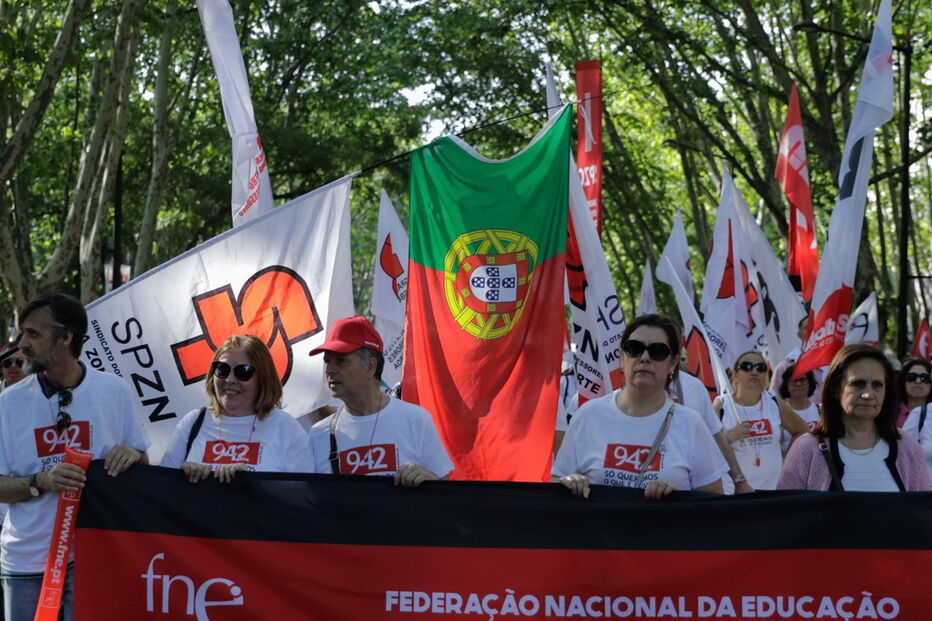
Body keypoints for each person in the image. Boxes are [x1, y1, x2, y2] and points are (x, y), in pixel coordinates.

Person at [0, 293, 150, 620]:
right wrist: (41, 481)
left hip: (95, 556)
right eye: (22, 332)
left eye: (34, 334)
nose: (22, 343)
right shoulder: (9, 403)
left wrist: (133, 456)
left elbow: (142, 464)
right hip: (28, 562)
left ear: (66, 336)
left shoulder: (114, 391)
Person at [553, 314, 727, 499]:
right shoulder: (588, 416)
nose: (644, 357)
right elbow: (557, 479)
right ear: (621, 357)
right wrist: (570, 482)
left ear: (673, 364)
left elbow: (713, 502)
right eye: (634, 348)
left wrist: (679, 498)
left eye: (657, 351)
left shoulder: (691, 424)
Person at [307, 316, 453, 485]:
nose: (330, 370)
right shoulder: (318, 435)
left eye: (341, 361)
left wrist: (428, 481)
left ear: (371, 366)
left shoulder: (416, 420)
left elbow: (445, 494)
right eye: (327, 361)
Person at [778, 344, 931, 492]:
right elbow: (786, 513)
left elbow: (923, 511)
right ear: (836, 389)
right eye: (858, 384)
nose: (868, 394)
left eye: (877, 385)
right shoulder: (807, 449)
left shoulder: (907, 447)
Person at [161, 335, 310, 481]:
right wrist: (183, 478)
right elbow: (161, 490)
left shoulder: (286, 428)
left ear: (263, 378)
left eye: (243, 372)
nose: (230, 380)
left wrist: (254, 482)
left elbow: (305, 498)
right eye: (222, 369)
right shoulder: (192, 422)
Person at [715, 351, 808, 491]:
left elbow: (802, 431)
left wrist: (788, 461)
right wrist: (729, 436)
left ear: (766, 374)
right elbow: (706, 447)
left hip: (772, 491)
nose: (754, 371)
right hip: (734, 493)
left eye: (760, 367)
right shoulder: (722, 405)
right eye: (746, 366)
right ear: (735, 374)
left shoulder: (774, 402)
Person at [670, 368, 753, 493]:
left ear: (674, 359)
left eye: (659, 351)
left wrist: (739, 480)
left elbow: (715, 435)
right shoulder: (630, 384)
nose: (646, 358)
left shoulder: (693, 387)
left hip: (686, 492)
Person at [778, 363, 820, 431]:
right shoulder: (779, 412)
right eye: (794, 380)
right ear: (787, 385)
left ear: (810, 383)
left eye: (802, 379)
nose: (798, 384)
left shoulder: (820, 411)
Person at [895, 357, 932, 428]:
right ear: (903, 381)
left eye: (924, 378)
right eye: (911, 377)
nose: (918, 381)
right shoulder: (890, 411)